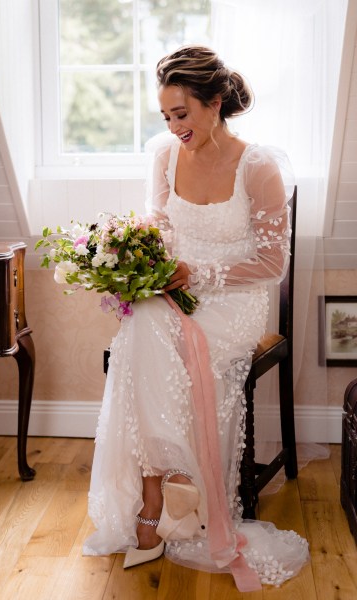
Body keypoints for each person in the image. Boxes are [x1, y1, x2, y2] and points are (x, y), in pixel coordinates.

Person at [83, 45, 308, 592]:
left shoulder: (258, 167)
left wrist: (197, 272)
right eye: (165, 116)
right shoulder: (163, 154)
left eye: (181, 114)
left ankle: (158, 505)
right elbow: (159, 221)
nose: (173, 126)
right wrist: (136, 252)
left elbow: (272, 263)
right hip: (177, 288)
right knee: (142, 324)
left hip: (235, 297)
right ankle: (161, 493)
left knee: (150, 334)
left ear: (214, 103)